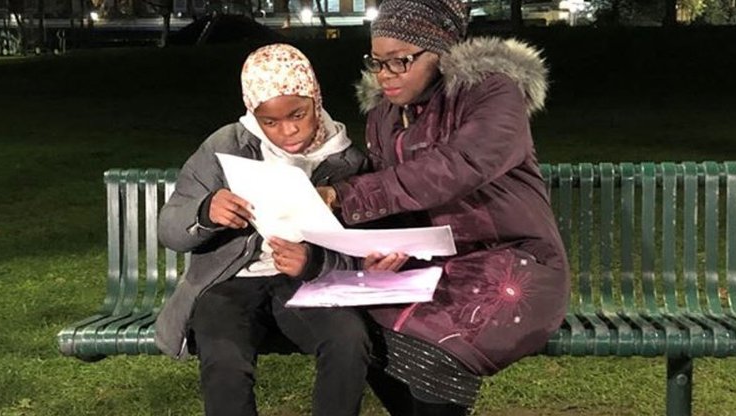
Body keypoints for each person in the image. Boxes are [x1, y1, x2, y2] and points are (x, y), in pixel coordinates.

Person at [316, 1, 571, 415]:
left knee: (436, 346)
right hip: (429, 265)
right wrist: (385, 247)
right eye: (377, 62)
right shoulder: (384, 114)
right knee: (356, 331)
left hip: (512, 260)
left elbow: (459, 165)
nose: (385, 76)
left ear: (440, 52)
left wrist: (345, 195)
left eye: (400, 62)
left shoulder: (492, 92)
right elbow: (398, 200)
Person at [153, 44, 371, 416]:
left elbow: (361, 251)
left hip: (306, 283)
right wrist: (206, 212)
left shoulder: (346, 160)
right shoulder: (227, 146)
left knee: (348, 338)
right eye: (270, 121)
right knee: (222, 351)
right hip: (229, 281)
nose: (287, 131)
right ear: (253, 113)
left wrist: (312, 261)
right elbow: (170, 227)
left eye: (298, 114)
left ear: (315, 98)